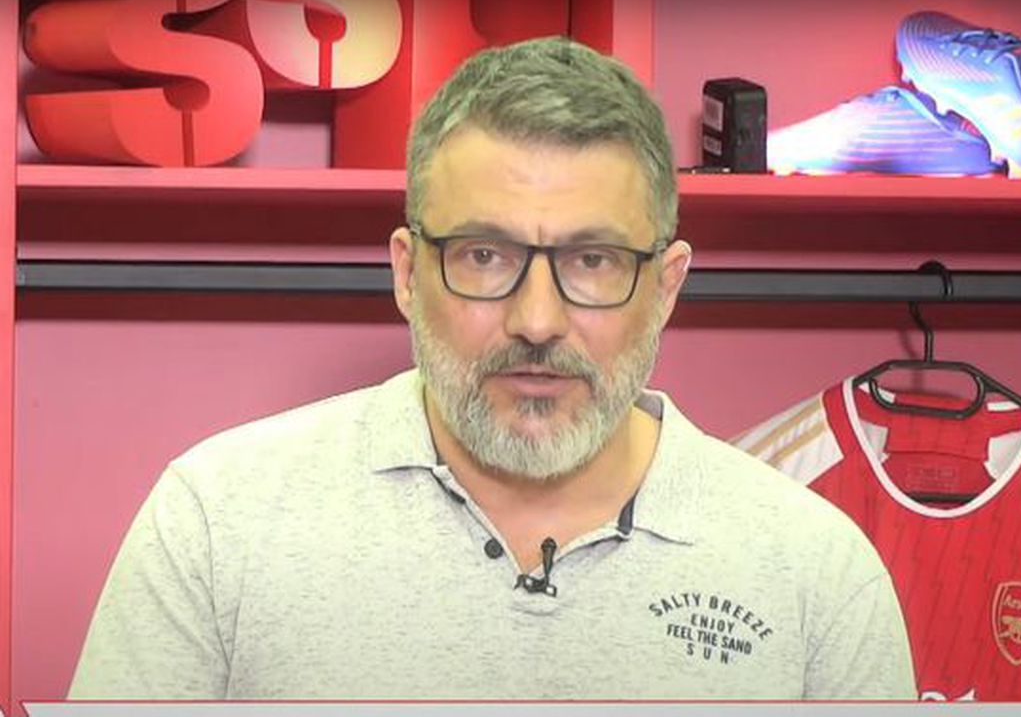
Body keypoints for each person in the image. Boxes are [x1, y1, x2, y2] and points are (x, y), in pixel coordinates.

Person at [68, 37, 916, 700]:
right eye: (483, 255)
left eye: (592, 261)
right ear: (407, 273)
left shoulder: (819, 577)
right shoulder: (217, 520)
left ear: (664, 288)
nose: (536, 321)